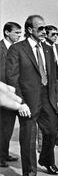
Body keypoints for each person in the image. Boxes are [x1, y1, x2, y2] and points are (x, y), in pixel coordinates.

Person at [6, 15, 58, 176]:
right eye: (41, 28)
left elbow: (53, 77)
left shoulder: (47, 48)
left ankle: (46, 159)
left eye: (45, 28)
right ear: (30, 30)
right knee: (28, 139)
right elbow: (12, 79)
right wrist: (20, 103)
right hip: (27, 101)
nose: (44, 31)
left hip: (47, 98)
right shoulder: (17, 49)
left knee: (52, 131)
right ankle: (29, 175)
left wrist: (55, 99)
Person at [0, 22, 21, 167]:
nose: (19, 35)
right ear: (7, 33)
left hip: (12, 94)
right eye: (17, 33)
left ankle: (4, 153)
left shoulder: (15, 49)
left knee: (8, 126)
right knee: (2, 126)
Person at [44, 25, 58, 146]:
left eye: (57, 34)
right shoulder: (42, 48)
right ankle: (49, 137)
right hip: (48, 84)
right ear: (46, 35)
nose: (56, 36)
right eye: (53, 34)